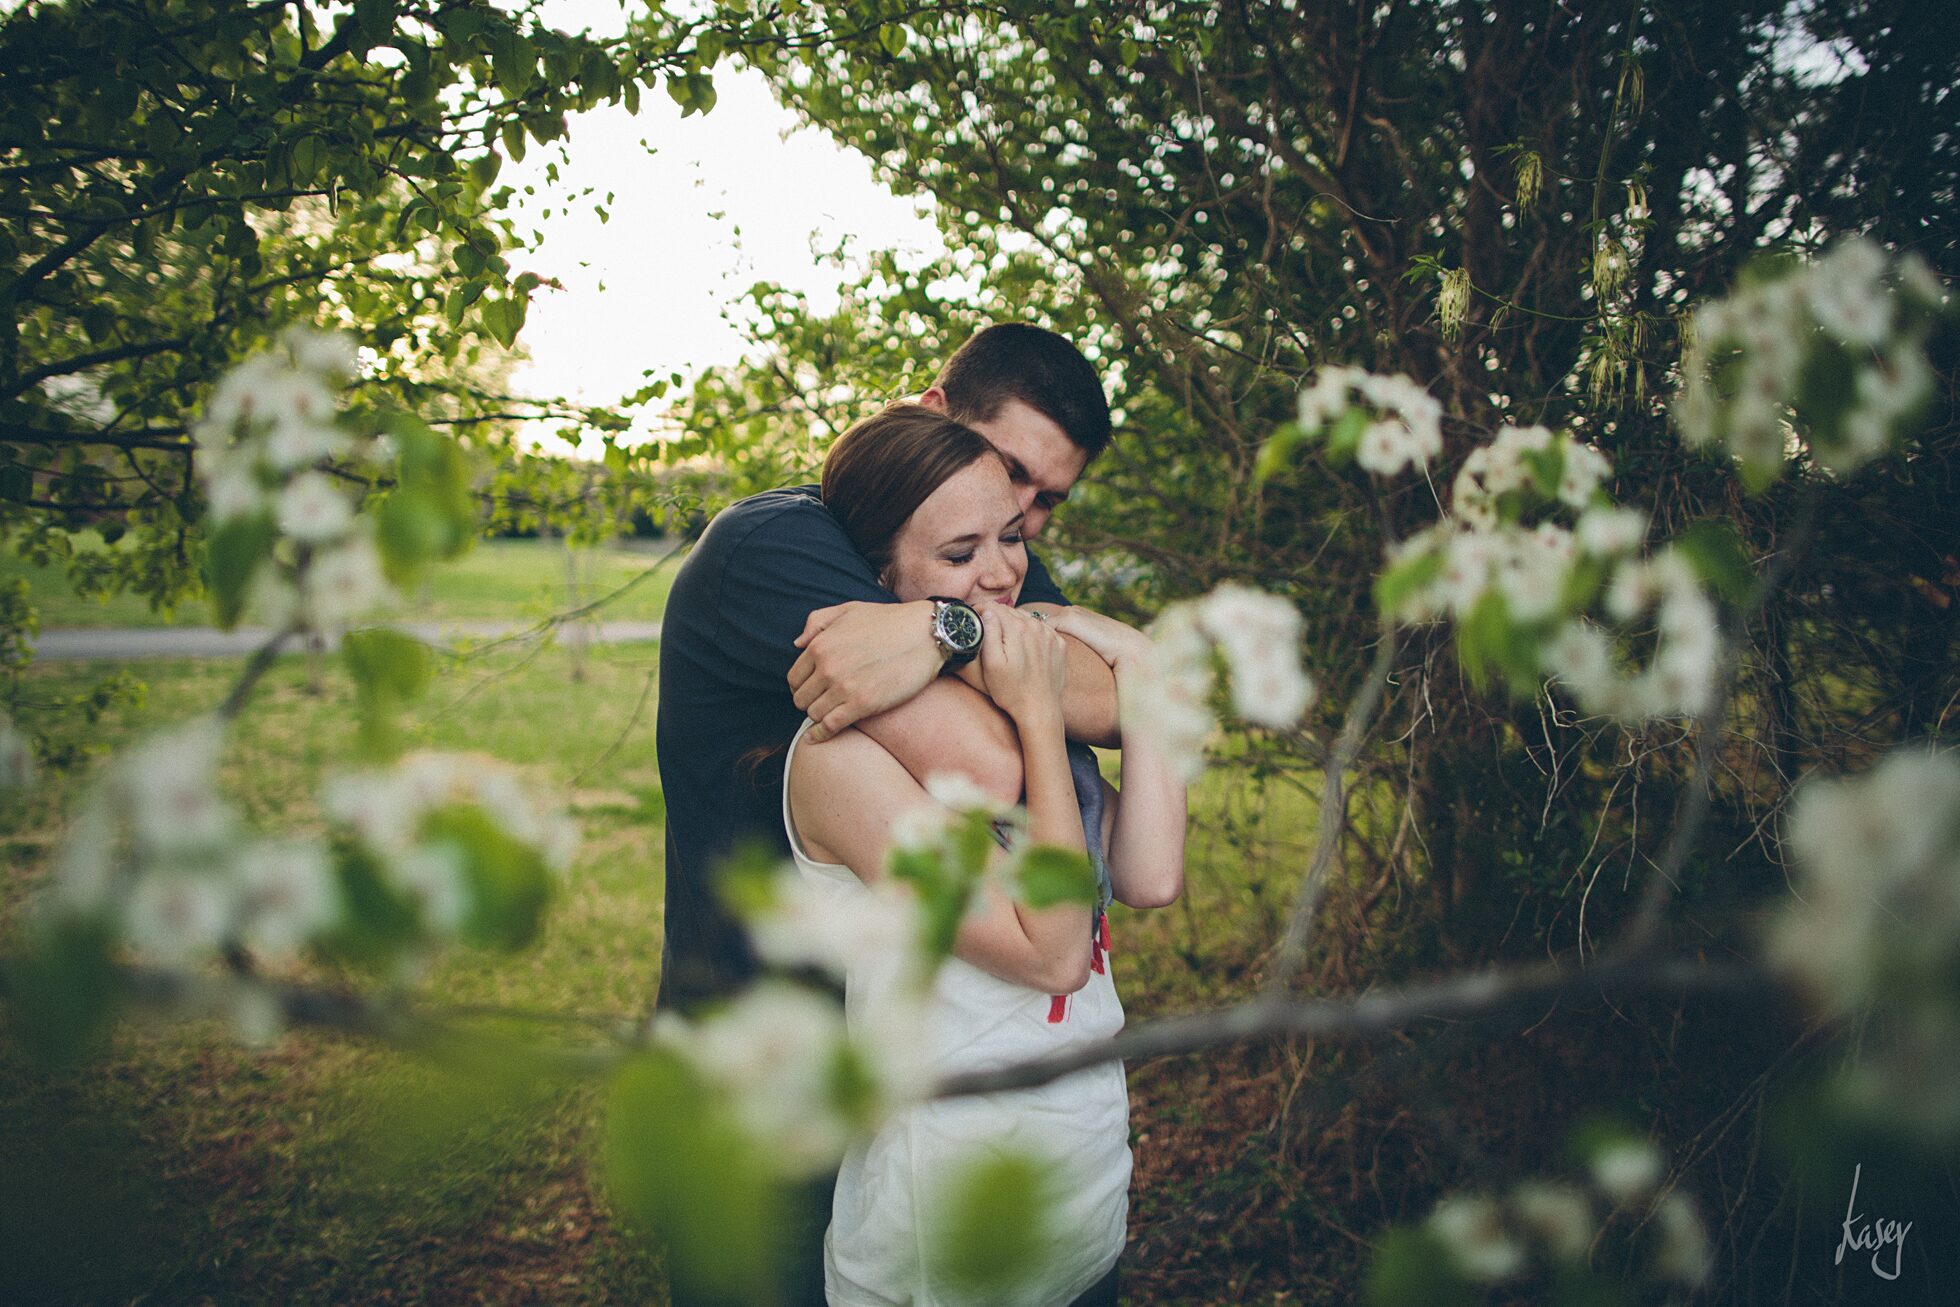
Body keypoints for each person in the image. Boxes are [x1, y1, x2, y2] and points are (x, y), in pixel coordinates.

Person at [654, 323, 1126, 1305]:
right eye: (1012, 472)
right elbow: (993, 755)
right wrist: (981, 640)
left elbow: (1112, 697)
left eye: (1045, 503)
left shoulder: (987, 556)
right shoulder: (777, 542)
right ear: (929, 421)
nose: (1025, 527)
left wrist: (938, 623)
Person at [782, 404, 1188, 1306]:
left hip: (1082, 1189)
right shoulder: (839, 759)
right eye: (960, 555)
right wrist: (1045, 715)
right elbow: (1051, 955)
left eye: (1011, 536)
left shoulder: (1002, 710)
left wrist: (1145, 670)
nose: (1004, 573)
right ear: (885, 577)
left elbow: (1151, 873)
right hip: (945, 1236)